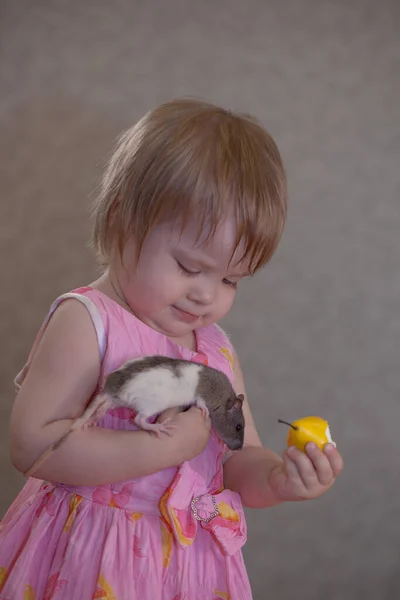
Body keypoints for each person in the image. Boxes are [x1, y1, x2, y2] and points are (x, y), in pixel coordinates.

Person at [0, 98, 343, 599]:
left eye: (230, 279)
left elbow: (233, 459)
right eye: (188, 267)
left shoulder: (215, 351)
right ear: (123, 223)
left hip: (188, 570)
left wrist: (277, 479)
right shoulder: (89, 322)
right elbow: (32, 446)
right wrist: (155, 447)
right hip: (93, 561)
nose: (206, 294)